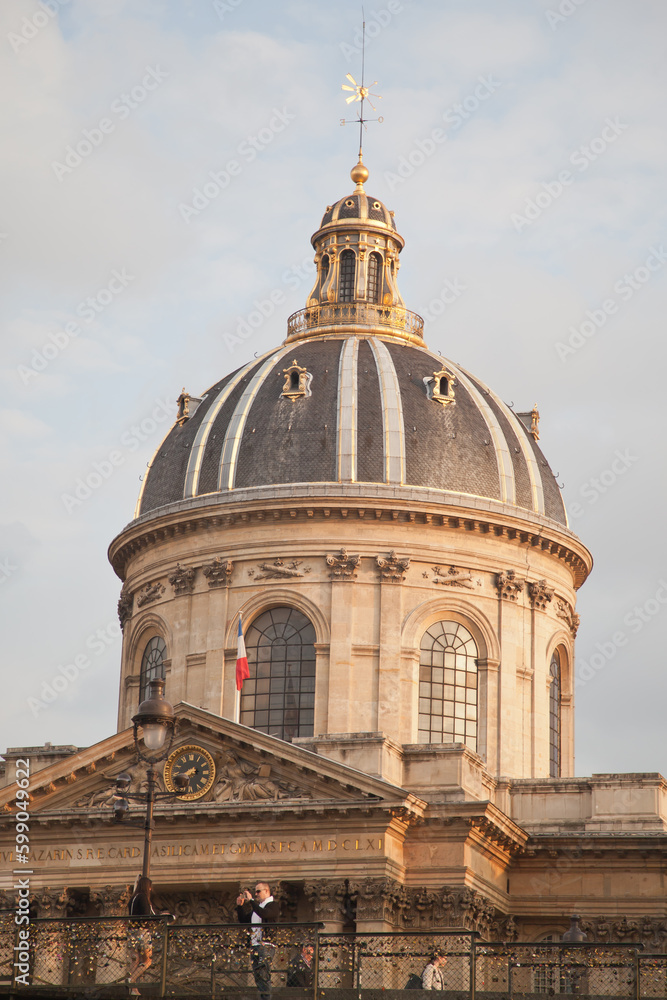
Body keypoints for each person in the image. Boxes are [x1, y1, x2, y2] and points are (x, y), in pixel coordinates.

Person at [236, 881, 280, 1000]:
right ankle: (263, 997)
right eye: (255, 891)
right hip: (255, 945)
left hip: (265, 945)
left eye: (258, 891)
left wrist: (251, 901)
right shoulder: (258, 907)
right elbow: (244, 921)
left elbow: (264, 914)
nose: (256, 894)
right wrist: (240, 906)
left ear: (267, 891)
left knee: (264, 974)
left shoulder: (272, 905)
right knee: (258, 976)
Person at [127, 875, 155, 996]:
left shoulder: (133, 898)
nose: (150, 890)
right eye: (150, 887)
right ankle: (132, 980)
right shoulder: (143, 897)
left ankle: (133, 989)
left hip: (131, 932)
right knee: (147, 960)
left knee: (135, 959)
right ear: (146, 887)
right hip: (142, 932)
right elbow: (145, 915)